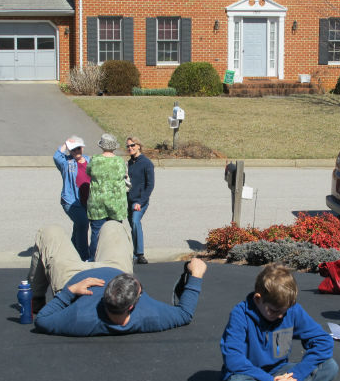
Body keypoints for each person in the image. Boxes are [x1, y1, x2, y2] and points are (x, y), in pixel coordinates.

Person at [27, 220, 207, 336]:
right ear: (133, 304)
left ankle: (34, 297)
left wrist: (70, 291)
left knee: (49, 231)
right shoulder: (149, 314)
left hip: (73, 276)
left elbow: (42, 320)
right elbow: (184, 314)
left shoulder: (81, 317)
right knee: (114, 225)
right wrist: (196, 275)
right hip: (114, 267)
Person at [220, 264, 338, 381]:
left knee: (330, 366)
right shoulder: (240, 315)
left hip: (280, 372)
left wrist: (298, 374)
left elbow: (324, 341)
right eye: (274, 311)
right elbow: (233, 359)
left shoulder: (292, 310)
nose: (281, 316)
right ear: (258, 299)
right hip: (250, 375)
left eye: (284, 311)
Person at [86, 133, 131, 260]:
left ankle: (94, 259)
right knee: (115, 231)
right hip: (116, 201)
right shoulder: (120, 161)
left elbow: (88, 172)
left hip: (97, 201)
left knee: (96, 232)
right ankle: (114, 257)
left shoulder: (94, 159)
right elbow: (124, 175)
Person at [53, 135, 91, 261]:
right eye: (73, 149)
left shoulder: (89, 160)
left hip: (87, 201)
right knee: (83, 223)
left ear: (82, 148)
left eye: (78, 148)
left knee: (78, 227)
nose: (76, 152)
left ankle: (70, 252)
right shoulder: (66, 163)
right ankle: (83, 257)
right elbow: (56, 156)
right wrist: (66, 143)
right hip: (71, 201)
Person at [126, 136, 155, 264]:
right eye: (128, 146)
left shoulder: (147, 163)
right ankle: (135, 254)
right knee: (133, 225)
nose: (130, 148)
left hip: (140, 200)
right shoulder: (129, 163)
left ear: (138, 146)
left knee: (135, 221)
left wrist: (141, 201)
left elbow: (150, 185)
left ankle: (140, 254)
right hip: (129, 200)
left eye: (132, 145)